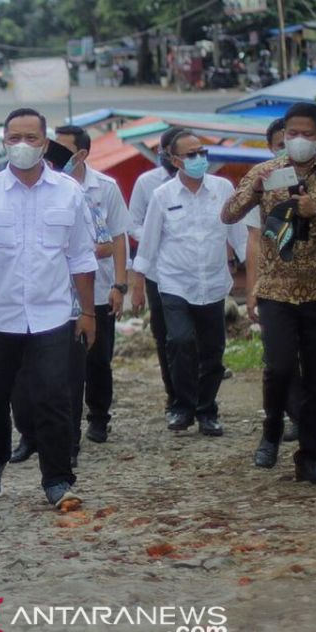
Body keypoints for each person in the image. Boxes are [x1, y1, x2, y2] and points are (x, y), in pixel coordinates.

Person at [0, 108, 96, 509]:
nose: (21, 146)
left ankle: (57, 479)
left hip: (52, 314)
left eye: (30, 138)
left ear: (45, 143)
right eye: (13, 138)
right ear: (4, 142)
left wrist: (88, 313)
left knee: (54, 397)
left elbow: (81, 258)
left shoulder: (69, 193)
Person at [221, 102, 316, 484]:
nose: (298, 140)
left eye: (307, 134)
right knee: (278, 367)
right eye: (292, 133)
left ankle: (309, 457)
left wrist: (315, 211)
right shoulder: (264, 172)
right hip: (276, 290)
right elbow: (227, 214)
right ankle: (272, 430)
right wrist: (253, 192)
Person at [133, 131, 247, 436]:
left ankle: (207, 411)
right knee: (180, 340)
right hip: (174, 282)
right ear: (174, 160)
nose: (198, 159)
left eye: (201, 152)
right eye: (190, 155)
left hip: (212, 281)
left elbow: (238, 234)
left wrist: (252, 268)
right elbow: (149, 242)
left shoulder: (223, 189)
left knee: (212, 350)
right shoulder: (163, 195)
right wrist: (136, 283)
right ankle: (182, 406)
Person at [54, 126, 129, 446]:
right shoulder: (50, 185)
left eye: (61, 149)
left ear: (81, 155)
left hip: (96, 288)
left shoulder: (104, 188)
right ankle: (64, 424)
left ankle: (98, 417)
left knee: (98, 358)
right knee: (64, 362)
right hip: (57, 292)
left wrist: (120, 284)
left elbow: (116, 238)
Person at [128, 126, 188, 415]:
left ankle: (201, 399)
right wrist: (156, 237)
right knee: (167, 335)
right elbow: (133, 224)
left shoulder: (210, 185)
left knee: (196, 337)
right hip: (158, 272)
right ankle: (174, 395)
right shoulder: (147, 183)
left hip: (194, 270)